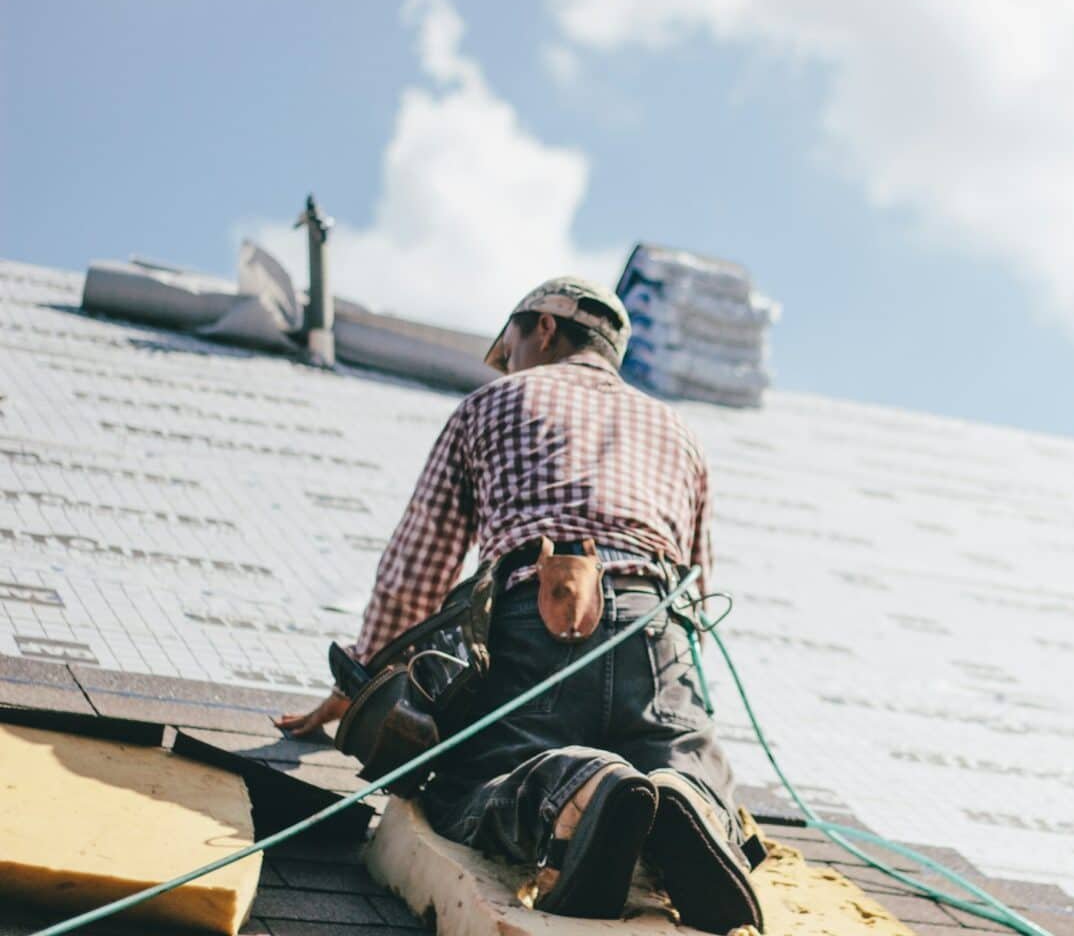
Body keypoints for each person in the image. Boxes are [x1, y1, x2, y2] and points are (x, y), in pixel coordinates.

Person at [277, 277, 761, 933]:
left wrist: (363, 681)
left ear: (542, 329)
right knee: (678, 761)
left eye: (508, 346)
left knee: (471, 782)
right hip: (657, 628)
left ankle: (580, 790)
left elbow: (417, 566)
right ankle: (688, 800)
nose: (506, 361)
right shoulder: (678, 431)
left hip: (536, 618)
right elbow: (699, 585)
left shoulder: (494, 402)